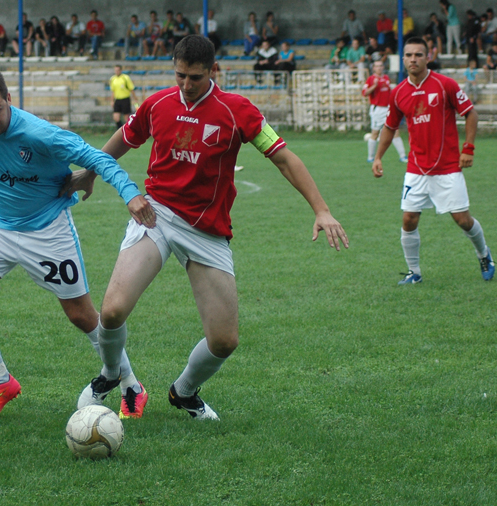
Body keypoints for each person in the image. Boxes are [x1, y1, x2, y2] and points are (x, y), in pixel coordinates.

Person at [66, 35, 348, 421]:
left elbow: (283, 158)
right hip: (157, 215)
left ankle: (183, 393)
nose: (185, 84)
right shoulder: (157, 104)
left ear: (214, 71)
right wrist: (89, 173)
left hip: (207, 231)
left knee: (224, 340)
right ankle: (111, 374)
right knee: (112, 311)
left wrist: (322, 209)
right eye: (179, 75)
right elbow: (125, 139)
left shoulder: (238, 111)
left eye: (194, 77)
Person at [0, 68, 155, 420]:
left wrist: (130, 194)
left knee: (81, 314)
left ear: (9, 100)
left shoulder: (39, 133)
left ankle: (130, 386)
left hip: (48, 230)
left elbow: (96, 158)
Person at [372, 37, 494, 285]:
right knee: (409, 219)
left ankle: (484, 255)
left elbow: (471, 113)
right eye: (409, 55)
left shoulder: (444, 84)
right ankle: (414, 272)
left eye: (418, 54)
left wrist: (468, 148)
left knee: (462, 220)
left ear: (427, 57)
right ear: (403, 59)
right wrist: (377, 157)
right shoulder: (398, 93)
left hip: (448, 166)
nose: (413, 59)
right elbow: (389, 127)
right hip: (416, 168)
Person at [362, 60, 407, 163]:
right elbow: (364, 93)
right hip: (377, 109)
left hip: (388, 108)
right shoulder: (371, 79)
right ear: (373, 68)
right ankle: (370, 157)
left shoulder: (386, 78)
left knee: (395, 131)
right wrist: (374, 86)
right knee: (375, 133)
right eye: (377, 66)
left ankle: (403, 156)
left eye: (381, 65)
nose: (379, 68)